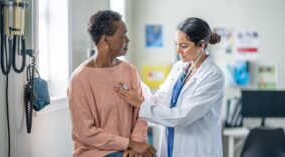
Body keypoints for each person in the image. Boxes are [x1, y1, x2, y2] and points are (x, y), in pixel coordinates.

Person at [115, 17, 224, 157]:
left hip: (196, 150)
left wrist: (140, 104)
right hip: (172, 146)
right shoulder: (179, 68)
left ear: (201, 45)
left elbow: (183, 116)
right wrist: (133, 78)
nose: (178, 51)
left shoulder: (213, 75)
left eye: (184, 46)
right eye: (176, 44)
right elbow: (159, 100)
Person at [67, 10, 156, 157]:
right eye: (123, 36)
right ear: (105, 39)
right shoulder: (79, 79)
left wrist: (136, 146)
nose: (128, 40)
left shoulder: (129, 70)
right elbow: (86, 133)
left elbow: (141, 112)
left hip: (129, 148)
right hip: (95, 152)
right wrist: (130, 144)